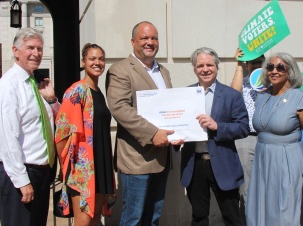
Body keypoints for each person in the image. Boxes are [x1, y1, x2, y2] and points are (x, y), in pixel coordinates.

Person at [105, 21, 182, 226]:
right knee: (134, 219)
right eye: (144, 38)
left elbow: (169, 108)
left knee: (154, 218)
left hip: (161, 158)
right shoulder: (120, 70)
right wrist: (153, 133)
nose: (150, 42)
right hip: (136, 159)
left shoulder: (163, 71)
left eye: (154, 38)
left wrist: (178, 131)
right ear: (133, 42)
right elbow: (120, 108)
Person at [0, 27, 59, 226]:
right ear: (16, 51)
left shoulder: (36, 84)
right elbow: (6, 137)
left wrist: (52, 100)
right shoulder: (7, 87)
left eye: (39, 48)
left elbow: (55, 122)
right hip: (19, 176)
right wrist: (22, 180)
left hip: (40, 174)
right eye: (30, 48)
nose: (36, 53)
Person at [180, 47, 250, 226]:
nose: (205, 69)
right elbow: (178, 124)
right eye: (200, 65)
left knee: (232, 217)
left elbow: (243, 127)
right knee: (199, 218)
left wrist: (217, 126)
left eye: (209, 65)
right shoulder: (183, 95)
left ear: (217, 67)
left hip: (223, 164)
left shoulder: (231, 95)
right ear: (194, 69)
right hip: (194, 165)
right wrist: (174, 136)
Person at [55, 43, 115, 226]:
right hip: (83, 169)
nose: (97, 62)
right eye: (92, 59)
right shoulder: (76, 92)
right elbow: (62, 133)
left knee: (95, 218)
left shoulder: (98, 92)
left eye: (101, 59)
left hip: (101, 164)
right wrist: (66, 168)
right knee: (84, 221)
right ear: (83, 62)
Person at [246, 52, 303, 226]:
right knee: (260, 206)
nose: (274, 71)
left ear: (290, 71)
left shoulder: (298, 97)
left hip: (287, 160)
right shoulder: (262, 96)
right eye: (270, 67)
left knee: (284, 209)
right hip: (262, 159)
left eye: (280, 67)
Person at [231, 48, 265, 205]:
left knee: (267, 185)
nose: (256, 65)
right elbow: (234, 95)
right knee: (247, 188)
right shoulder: (242, 83)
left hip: (268, 139)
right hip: (246, 139)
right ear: (247, 65)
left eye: (259, 61)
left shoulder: (271, 83)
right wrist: (239, 63)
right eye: (253, 62)